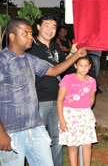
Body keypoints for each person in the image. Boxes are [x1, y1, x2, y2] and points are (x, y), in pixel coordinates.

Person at [0, 18, 87, 166]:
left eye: (31, 33)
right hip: (11, 131)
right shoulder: (3, 60)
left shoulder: (30, 59)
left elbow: (53, 71)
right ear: (12, 36)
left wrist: (76, 56)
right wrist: (1, 133)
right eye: (25, 33)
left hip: (36, 127)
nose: (30, 37)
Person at [27, 13, 77, 166]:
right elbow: (53, 70)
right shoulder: (30, 47)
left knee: (57, 139)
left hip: (58, 99)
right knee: (38, 139)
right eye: (46, 25)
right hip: (38, 100)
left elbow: (61, 65)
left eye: (53, 26)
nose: (50, 29)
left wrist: (72, 53)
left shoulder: (56, 46)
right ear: (38, 27)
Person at [57, 55, 97, 166]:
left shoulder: (92, 81)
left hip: (85, 115)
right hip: (70, 115)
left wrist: (86, 110)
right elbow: (60, 100)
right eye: (80, 65)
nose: (83, 68)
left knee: (87, 144)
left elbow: (92, 97)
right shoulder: (68, 78)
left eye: (86, 66)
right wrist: (62, 119)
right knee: (73, 145)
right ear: (75, 65)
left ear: (89, 67)